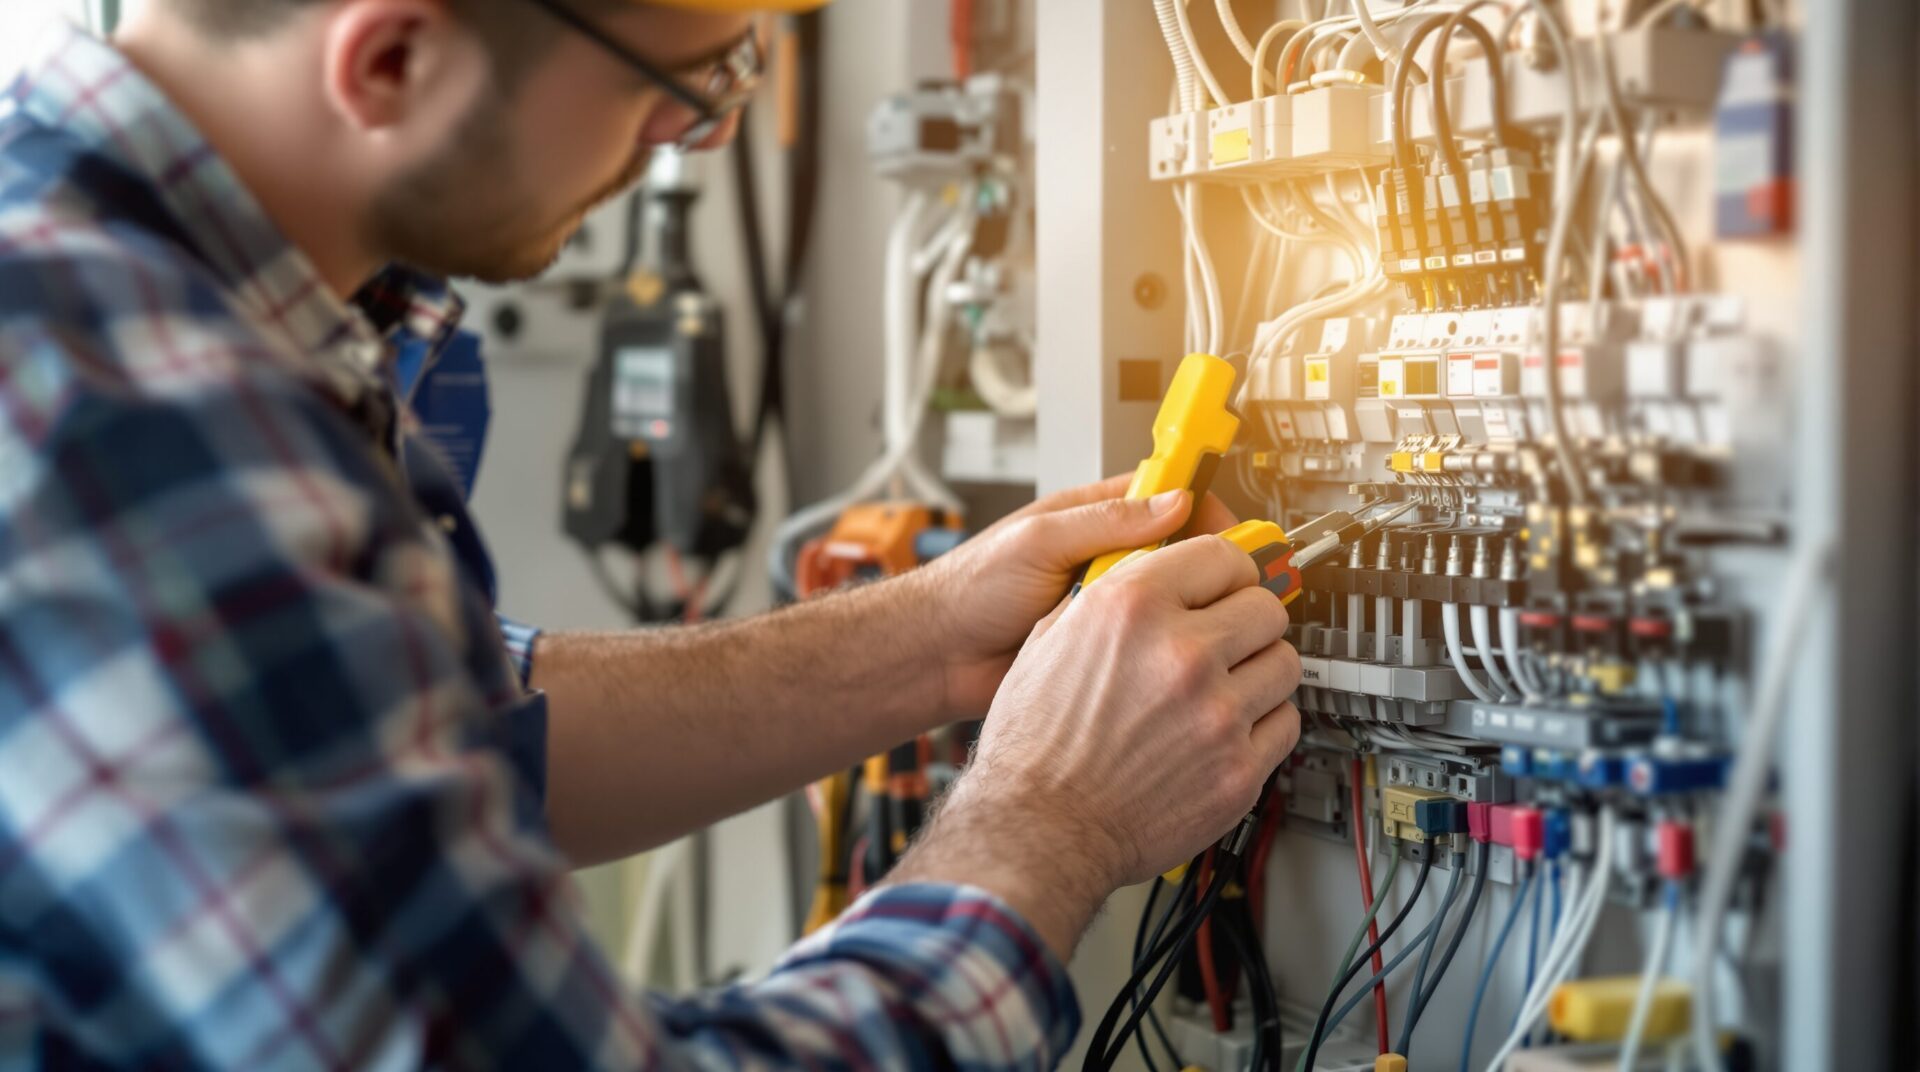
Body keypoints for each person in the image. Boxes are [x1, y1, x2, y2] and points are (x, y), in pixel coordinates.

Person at [0, 0, 1303, 1066]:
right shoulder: (125, 425)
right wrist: (1048, 819)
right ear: (391, 57)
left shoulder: (126, 296)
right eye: (675, 75)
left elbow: (437, 718)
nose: (703, 131)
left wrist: (932, 638)